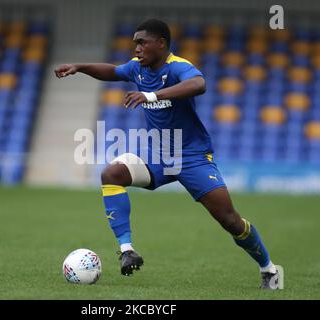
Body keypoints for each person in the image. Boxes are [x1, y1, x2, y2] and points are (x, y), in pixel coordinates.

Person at [55, 18, 282, 289]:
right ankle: (127, 250)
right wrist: (79, 67)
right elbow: (112, 72)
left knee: (230, 220)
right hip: (158, 156)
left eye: (142, 42)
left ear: (161, 43)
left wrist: (151, 96)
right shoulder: (138, 68)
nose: (136, 48)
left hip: (192, 158)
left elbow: (199, 84)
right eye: (135, 43)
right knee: (111, 173)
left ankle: (269, 270)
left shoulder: (178, 67)